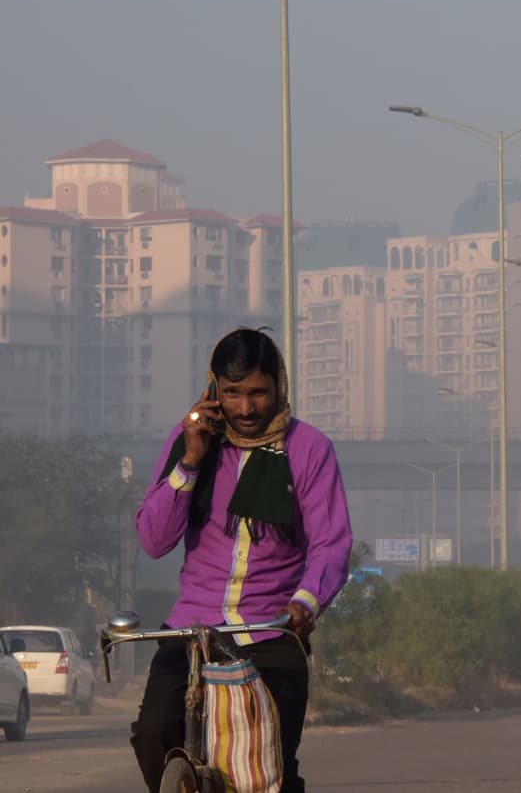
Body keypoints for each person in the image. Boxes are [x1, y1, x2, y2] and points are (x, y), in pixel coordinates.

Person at [131, 328, 353, 793]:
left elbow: (331, 544)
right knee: (153, 732)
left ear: (280, 388)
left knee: (271, 763)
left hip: (272, 632)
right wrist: (190, 460)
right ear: (214, 390)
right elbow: (154, 540)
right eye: (233, 394)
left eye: (258, 393)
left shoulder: (309, 449)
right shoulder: (190, 437)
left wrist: (306, 603)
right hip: (192, 629)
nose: (246, 408)